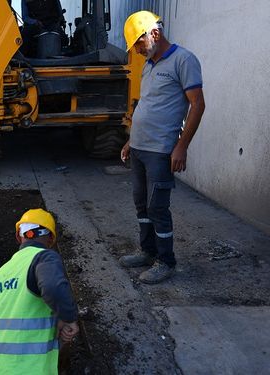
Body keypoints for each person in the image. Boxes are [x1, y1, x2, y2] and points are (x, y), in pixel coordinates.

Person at [119, 11, 206, 284]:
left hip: (161, 150)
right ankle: (147, 252)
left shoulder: (184, 60)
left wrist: (181, 147)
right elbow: (147, 105)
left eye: (138, 44)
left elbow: (198, 105)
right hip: (140, 148)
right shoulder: (149, 64)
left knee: (157, 207)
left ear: (153, 34)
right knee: (141, 204)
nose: (136, 50)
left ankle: (165, 261)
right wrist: (131, 140)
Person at [0, 208, 79, 374]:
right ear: (51, 238)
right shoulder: (44, 257)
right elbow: (53, 288)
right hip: (26, 367)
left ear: (19, 237)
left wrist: (57, 323)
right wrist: (69, 318)